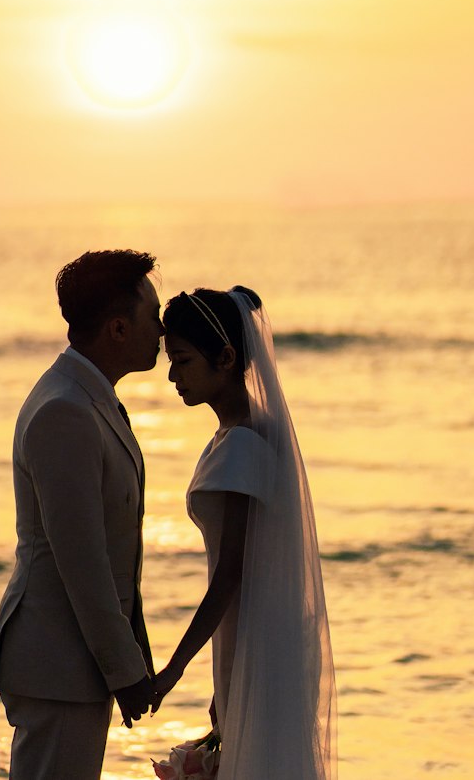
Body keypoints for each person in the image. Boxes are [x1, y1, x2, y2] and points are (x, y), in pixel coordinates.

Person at [0, 249, 163, 780]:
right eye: (151, 315)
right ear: (116, 328)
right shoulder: (65, 410)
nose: (161, 329)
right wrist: (124, 668)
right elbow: (82, 563)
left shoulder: (92, 397)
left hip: (73, 661)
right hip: (56, 663)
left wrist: (132, 647)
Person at [151, 286, 337, 780]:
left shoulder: (241, 446)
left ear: (227, 357)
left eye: (184, 360)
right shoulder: (245, 432)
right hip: (251, 637)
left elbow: (230, 575)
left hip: (250, 636)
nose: (172, 375)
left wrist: (173, 669)